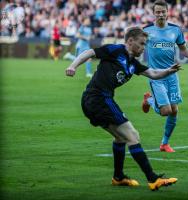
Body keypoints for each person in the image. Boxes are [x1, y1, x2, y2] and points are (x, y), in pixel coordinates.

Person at [65, 26, 179, 191]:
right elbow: (90, 52)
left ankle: (118, 177)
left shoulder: (133, 63)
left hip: (99, 100)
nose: (143, 47)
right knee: (133, 135)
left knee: (121, 138)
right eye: (141, 43)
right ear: (130, 41)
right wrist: (73, 66)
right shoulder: (115, 50)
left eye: (145, 44)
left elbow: (153, 73)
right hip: (98, 98)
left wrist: (169, 71)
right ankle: (153, 179)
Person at [142, 0, 188, 153]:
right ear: (154, 13)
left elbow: (182, 47)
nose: (160, 14)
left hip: (172, 74)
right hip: (156, 75)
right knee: (165, 111)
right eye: (157, 12)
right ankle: (149, 100)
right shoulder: (146, 30)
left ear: (168, 12)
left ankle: (164, 144)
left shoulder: (176, 30)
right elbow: (137, 45)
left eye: (163, 11)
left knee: (174, 110)